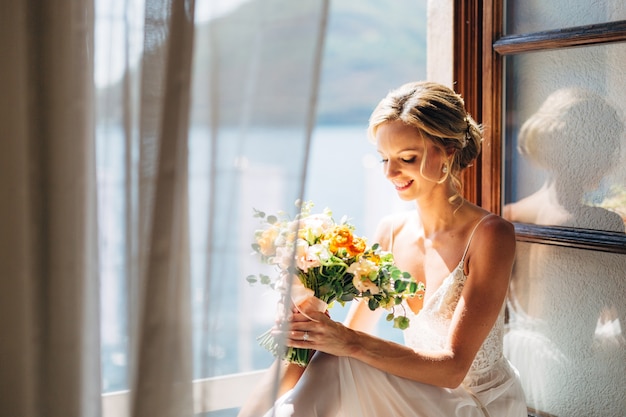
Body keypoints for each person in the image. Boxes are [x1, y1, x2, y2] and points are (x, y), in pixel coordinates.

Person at [238, 81, 527, 417]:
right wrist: (312, 324)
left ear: (448, 151)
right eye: (384, 159)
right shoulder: (391, 232)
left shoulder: (490, 235)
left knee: (338, 358)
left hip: (477, 404)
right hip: (422, 395)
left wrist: (345, 340)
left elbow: (453, 369)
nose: (390, 172)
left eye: (407, 157)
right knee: (324, 355)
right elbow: (353, 335)